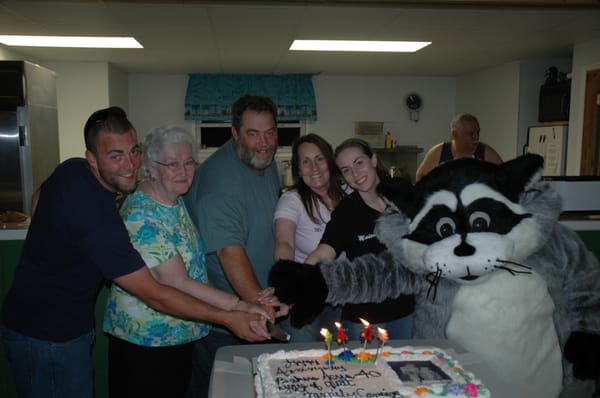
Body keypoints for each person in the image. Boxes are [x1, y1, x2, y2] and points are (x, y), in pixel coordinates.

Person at [0, 106, 271, 398]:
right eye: (115, 156)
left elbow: (38, 196)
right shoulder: (109, 221)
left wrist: (54, 243)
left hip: (64, 328)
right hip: (49, 337)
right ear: (93, 159)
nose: (129, 164)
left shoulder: (73, 168)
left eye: (133, 151)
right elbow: (160, 292)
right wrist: (232, 315)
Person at [103, 126, 277, 398]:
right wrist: (238, 308)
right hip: (148, 343)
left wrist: (243, 307)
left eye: (188, 163)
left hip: (179, 334)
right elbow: (178, 282)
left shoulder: (174, 199)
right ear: (151, 167)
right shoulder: (143, 215)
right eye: (172, 164)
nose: (183, 171)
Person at [183, 94, 287, 398]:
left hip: (259, 308)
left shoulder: (266, 164)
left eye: (269, 132)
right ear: (234, 133)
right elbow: (229, 252)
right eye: (253, 133)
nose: (264, 142)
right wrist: (264, 310)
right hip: (229, 323)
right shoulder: (220, 182)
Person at [305, 138, 415, 341]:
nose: (355, 174)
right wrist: (298, 279)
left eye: (359, 163)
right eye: (346, 170)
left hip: (407, 313)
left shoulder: (403, 194)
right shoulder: (347, 212)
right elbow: (324, 251)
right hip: (363, 320)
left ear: (373, 159)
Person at [273, 133, 346, 341]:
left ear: (329, 162)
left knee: (339, 359)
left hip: (343, 297)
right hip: (305, 297)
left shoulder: (349, 194)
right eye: (306, 161)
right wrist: (288, 286)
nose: (314, 168)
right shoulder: (291, 200)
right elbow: (284, 242)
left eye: (319, 159)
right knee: (304, 359)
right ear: (298, 170)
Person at [415, 113, 503, 182]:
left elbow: (505, 177)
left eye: (478, 132)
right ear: (455, 134)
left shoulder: (487, 153)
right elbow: (421, 177)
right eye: (471, 134)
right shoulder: (438, 152)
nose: (476, 137)